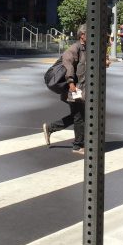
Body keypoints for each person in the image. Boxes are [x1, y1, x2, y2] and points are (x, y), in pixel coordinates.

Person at [43, 25, 86, 154]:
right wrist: (71, 83)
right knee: (79, 116)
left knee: (78, 115)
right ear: (82, 35)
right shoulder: (74, 49)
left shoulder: (86, 49)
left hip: (80, 88)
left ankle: (51, 128)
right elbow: (68, 66)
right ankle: (78, 146)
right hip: (73, 89)